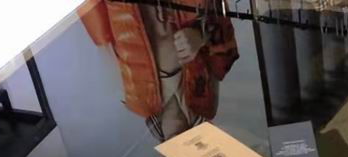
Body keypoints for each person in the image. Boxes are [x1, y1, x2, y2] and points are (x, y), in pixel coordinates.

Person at [81, 0, 239, 141]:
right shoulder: (204, 95)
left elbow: (216, 10)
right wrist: (201, 35)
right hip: (182, 81)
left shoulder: (134, 94)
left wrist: (201, 35)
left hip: (182, 77)